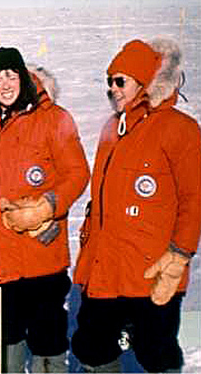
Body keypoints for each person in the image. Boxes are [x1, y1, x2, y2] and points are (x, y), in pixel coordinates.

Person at [71, 38, 201, 373]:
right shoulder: (112, 128)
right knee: (93, 348)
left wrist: (179, 255)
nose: (112, 89)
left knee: (155, 352)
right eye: (109, 82)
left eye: (120, 81)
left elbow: (194, 199)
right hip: (105, 268)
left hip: (151, 271)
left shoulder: (180, 129)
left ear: (144, 82)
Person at [0, 46, 90, 373]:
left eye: (10, 75)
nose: (4, 84)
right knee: (6, 338)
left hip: (38, 255)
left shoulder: (53, 118)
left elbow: (77, 173)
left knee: (48, 338)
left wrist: (47, 207)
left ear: (23, 77)